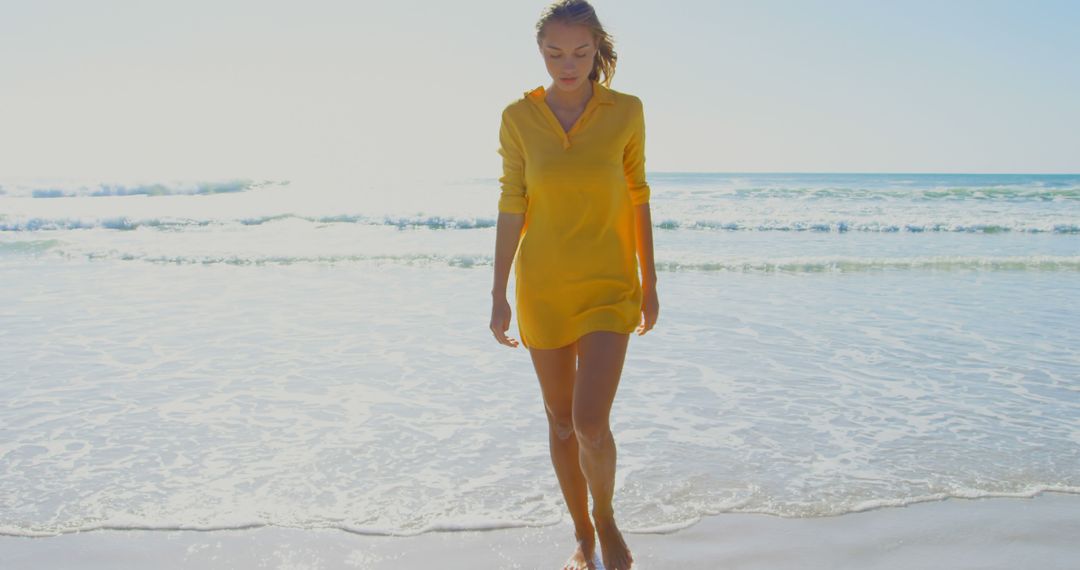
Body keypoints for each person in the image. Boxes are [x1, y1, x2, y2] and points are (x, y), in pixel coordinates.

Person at [488, 2, 659, 568]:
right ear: (541, 52)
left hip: (611, 284)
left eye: (581, 53)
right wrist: (497, 292)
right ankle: (582, 534)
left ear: (597, 50)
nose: (569, 64)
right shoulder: (518, 119)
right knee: (560, 422)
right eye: (555, 53)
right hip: (543, 286)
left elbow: (639, 194)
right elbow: (513, 203)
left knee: (590, 422)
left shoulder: (626, 111)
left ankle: (607, 519)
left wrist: (650, 282)